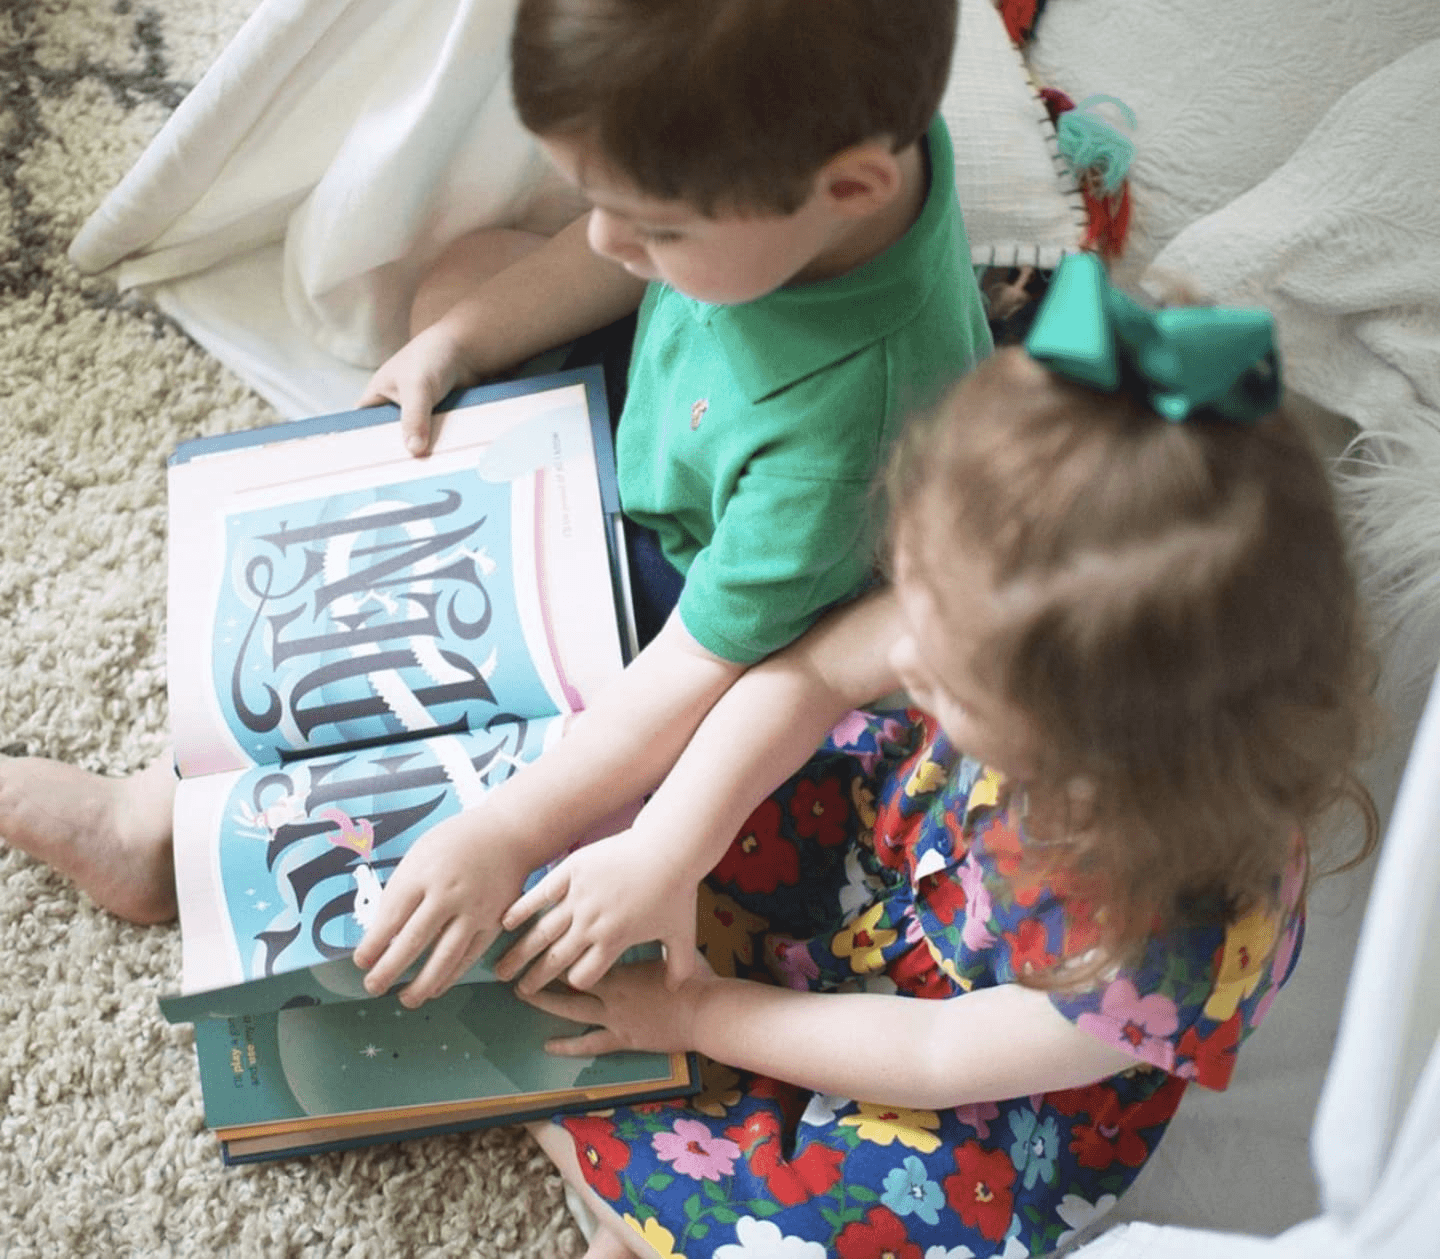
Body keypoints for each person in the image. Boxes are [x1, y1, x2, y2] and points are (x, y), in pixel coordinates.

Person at [479, 258, 1378, 1258]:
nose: (910, 662)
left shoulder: (1183, 942)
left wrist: (698, 1011)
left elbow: (937, 1053)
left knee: (823, 1217)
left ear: (1102, 764)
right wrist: (667, 850)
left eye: (952, 687)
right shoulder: (1005, 591)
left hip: (961, 1089)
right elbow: (810, 676)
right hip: (893, 852)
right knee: (610, 832)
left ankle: (632, 1196)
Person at [349, 0, 992, 1005]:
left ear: (848, 185)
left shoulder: (843, 442)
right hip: (685, 423)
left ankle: (158, 834)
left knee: (540, 770)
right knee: (467, 286)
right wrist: (465, 336)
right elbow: (621, 260)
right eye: (602, 201)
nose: (607, 240)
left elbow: (696, 669)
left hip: (722, 597)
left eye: (651, 223)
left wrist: (502, 833)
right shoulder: (827, 155)